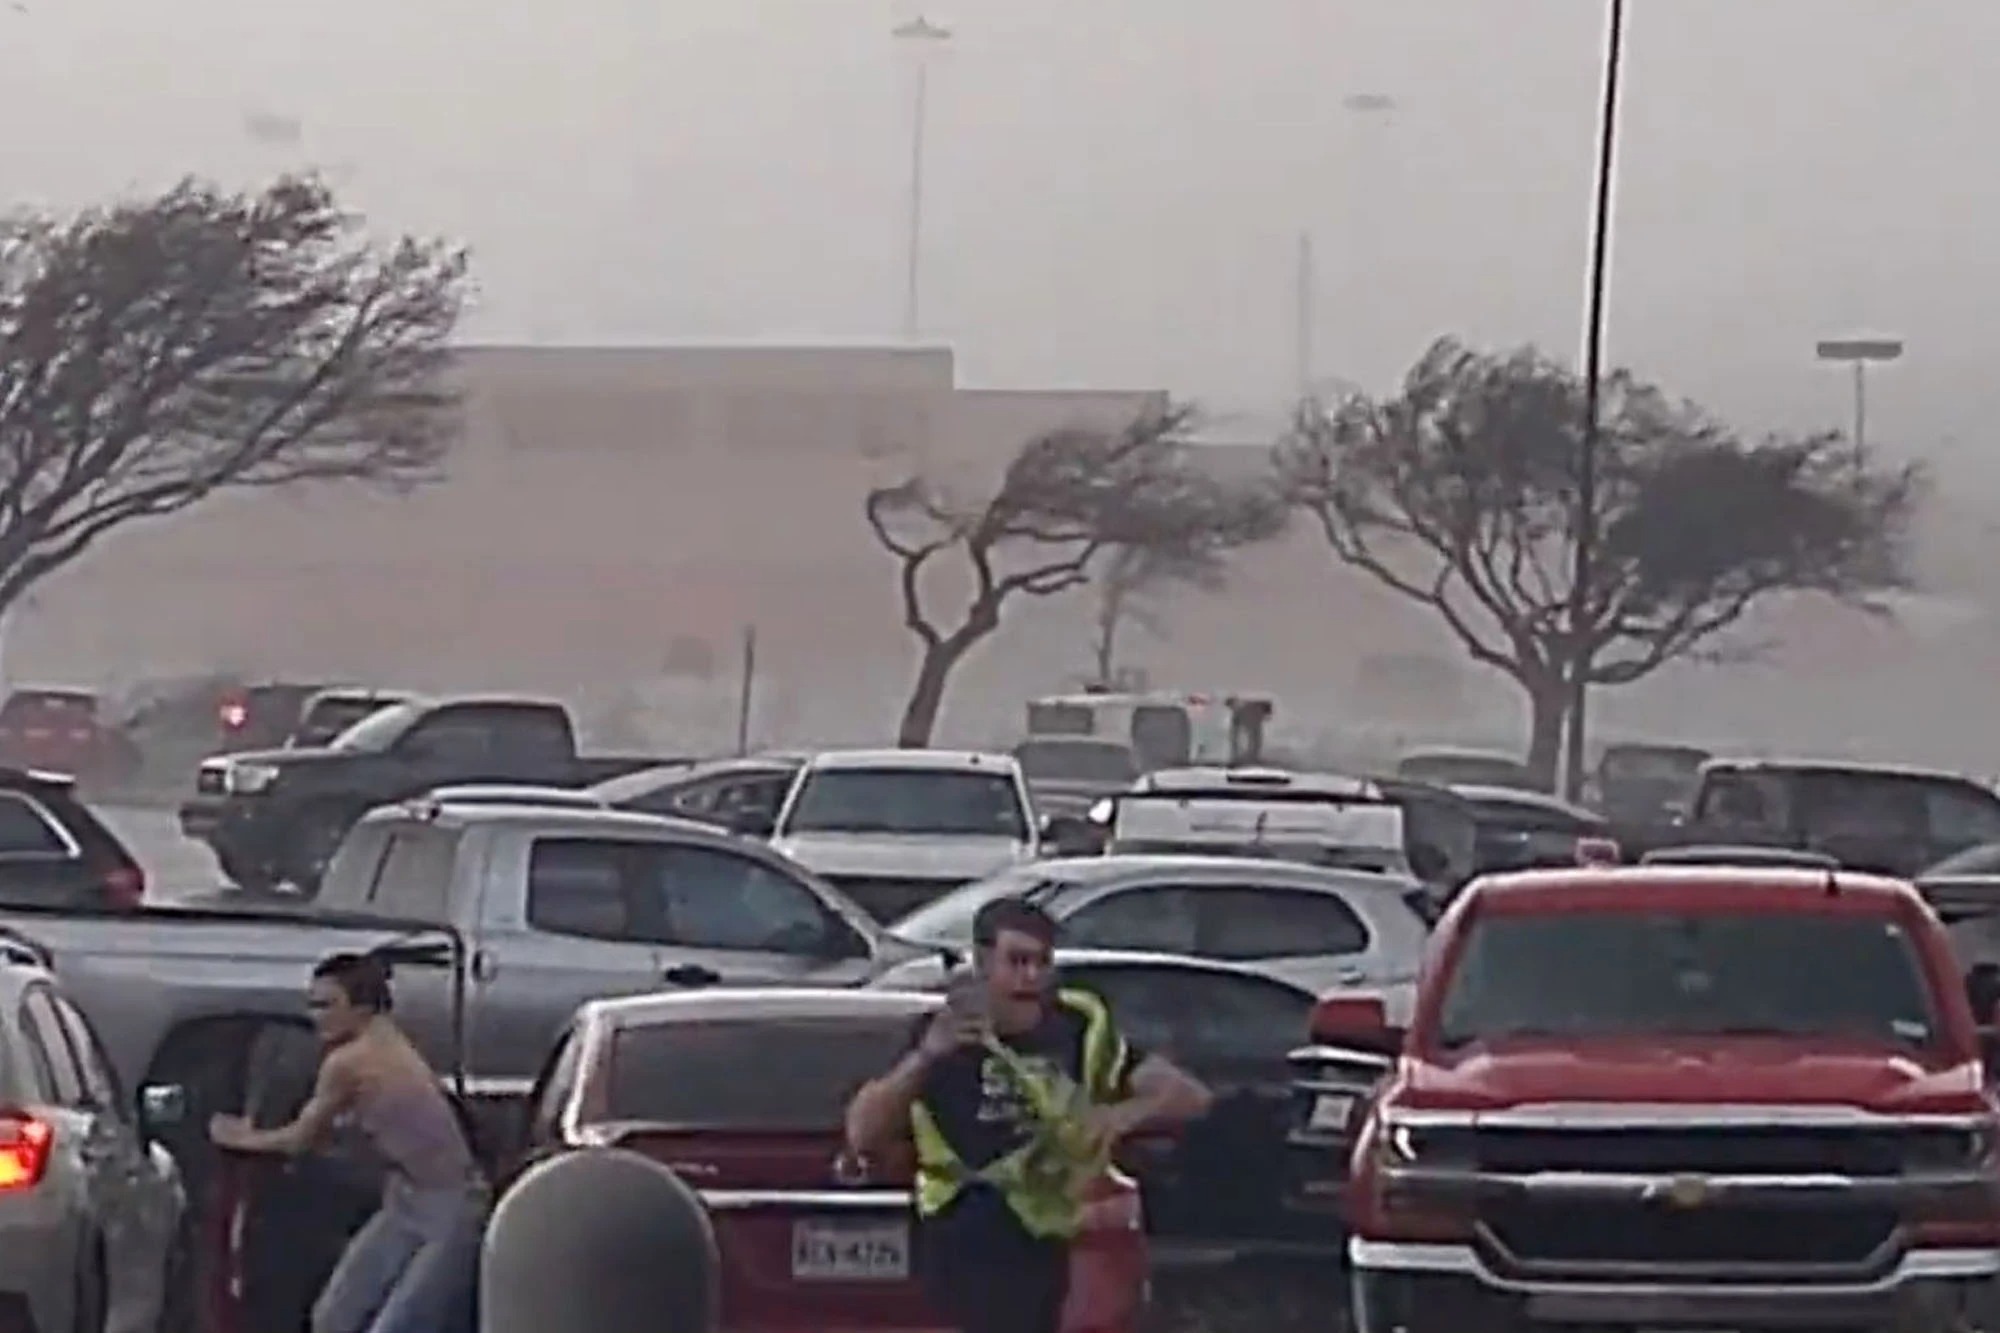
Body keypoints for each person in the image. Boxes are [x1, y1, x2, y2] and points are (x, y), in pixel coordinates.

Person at [845, 898, 1212, 1333]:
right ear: (983, 963)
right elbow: (863, 1133)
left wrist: (1118, 1118)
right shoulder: (942, 1035)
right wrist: (926, 1057)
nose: (1031, 978)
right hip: (962, 1230)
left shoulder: (1076, 1028)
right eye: (1017, 962)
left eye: (1042, 963)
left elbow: (1188, 1096)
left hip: (1044, 1236)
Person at [209, 951, 487, 1333]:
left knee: (398, 1325)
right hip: (405, 1196)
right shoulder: (387, 1036)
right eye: (312, 1005)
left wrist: (240, 1138)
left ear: (363, 1007)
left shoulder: (350, 1061)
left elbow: (298, 1141)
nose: (316, 1016)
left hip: (451, 1204)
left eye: (327, 1005)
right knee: (332, 1315)